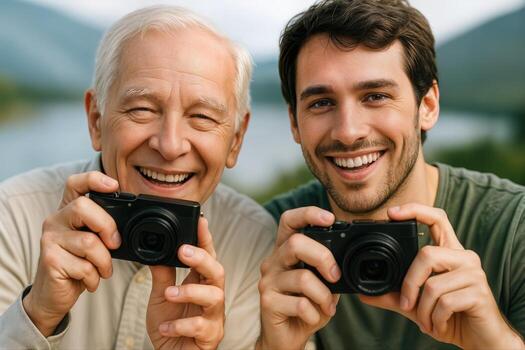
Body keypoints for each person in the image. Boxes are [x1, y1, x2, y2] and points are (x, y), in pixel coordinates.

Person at [0, 5, 275, 349]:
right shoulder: (10, 215)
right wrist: (38, 313)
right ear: (96, 121)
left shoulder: (257, 244)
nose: (170, 145)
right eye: (142, 109)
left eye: (202, 116)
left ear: (236, 140)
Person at [258, 0, 525, 349]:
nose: (348, 131)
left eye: (376, 96)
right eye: (321, 103)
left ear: (427, 106)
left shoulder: (514, 228)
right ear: (295, 122)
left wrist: (494, 342)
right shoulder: (272, 237)